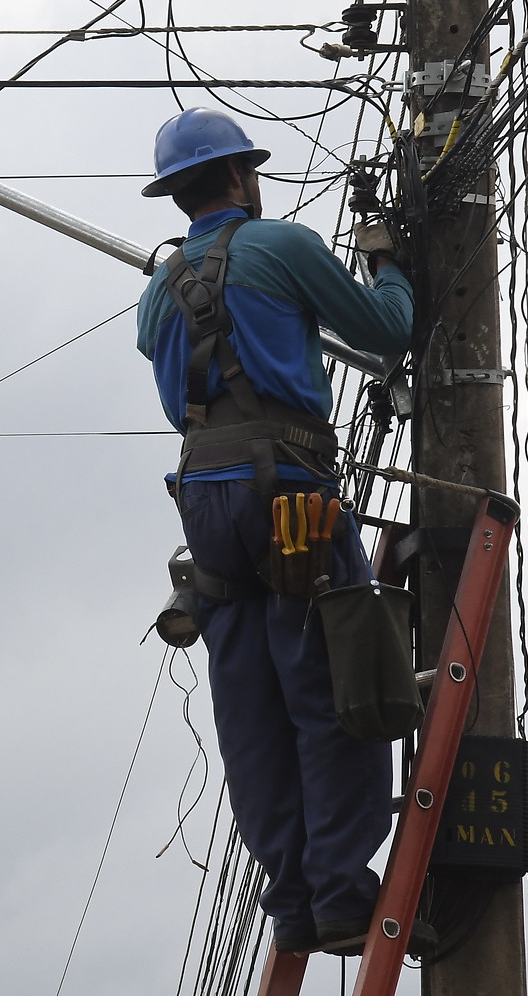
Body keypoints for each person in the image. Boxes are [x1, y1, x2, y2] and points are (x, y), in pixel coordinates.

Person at [134, 107, 414, 957]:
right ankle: (338, 895)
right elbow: (386, 329)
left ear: (178, 196)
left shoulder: (157, 292)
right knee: (328, 690)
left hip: (206, 508)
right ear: (241, 177)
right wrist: (389, 264)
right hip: (287, 490)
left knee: (250, 707)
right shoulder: (283, 247)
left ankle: (292, 902)